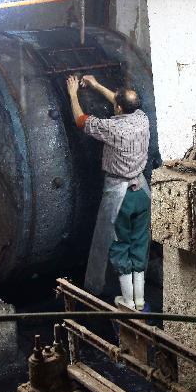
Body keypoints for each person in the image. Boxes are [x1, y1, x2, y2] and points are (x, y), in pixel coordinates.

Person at [66, 74, 151, 310]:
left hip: (120, 196)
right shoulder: (142, 118)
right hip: (142, 193)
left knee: (120, 244)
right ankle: (140, 300)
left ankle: (128, 302)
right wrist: (96, 85)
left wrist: (73, 94)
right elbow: (120, 99)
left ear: (119, 108)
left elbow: (81, 120)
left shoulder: (113, 128)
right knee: (139, 243)